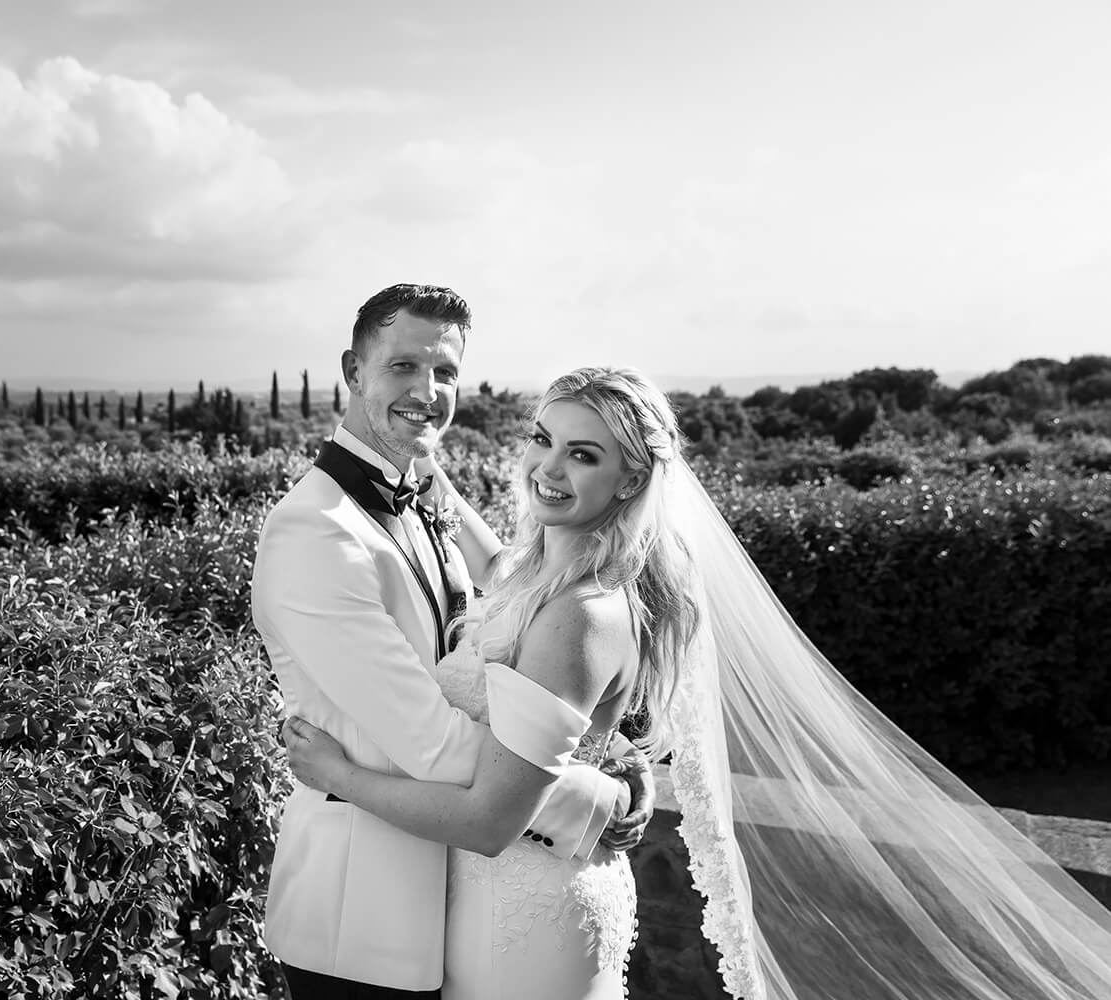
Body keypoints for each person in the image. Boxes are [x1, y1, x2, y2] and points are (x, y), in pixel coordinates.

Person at [285, 366, 1111, 1000]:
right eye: (541, 438)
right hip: (512, 896)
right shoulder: (547, 575)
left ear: (634, 480)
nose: (547, 467)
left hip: (518, 911)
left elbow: (489, 818)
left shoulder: (583, 613)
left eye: (584, 454)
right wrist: (433, 478)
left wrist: (341, 778)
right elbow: (504, 588)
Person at [251, 287, 654, 1000]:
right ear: (352, 368)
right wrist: (598, 794)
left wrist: (611, 748)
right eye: (403, 366)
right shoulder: (317, 532)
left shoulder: (425, 501)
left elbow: (518, 648)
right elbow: (434, 744)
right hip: (363, 918)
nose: (427, 391)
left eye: (444, 373)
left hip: (457, 901)